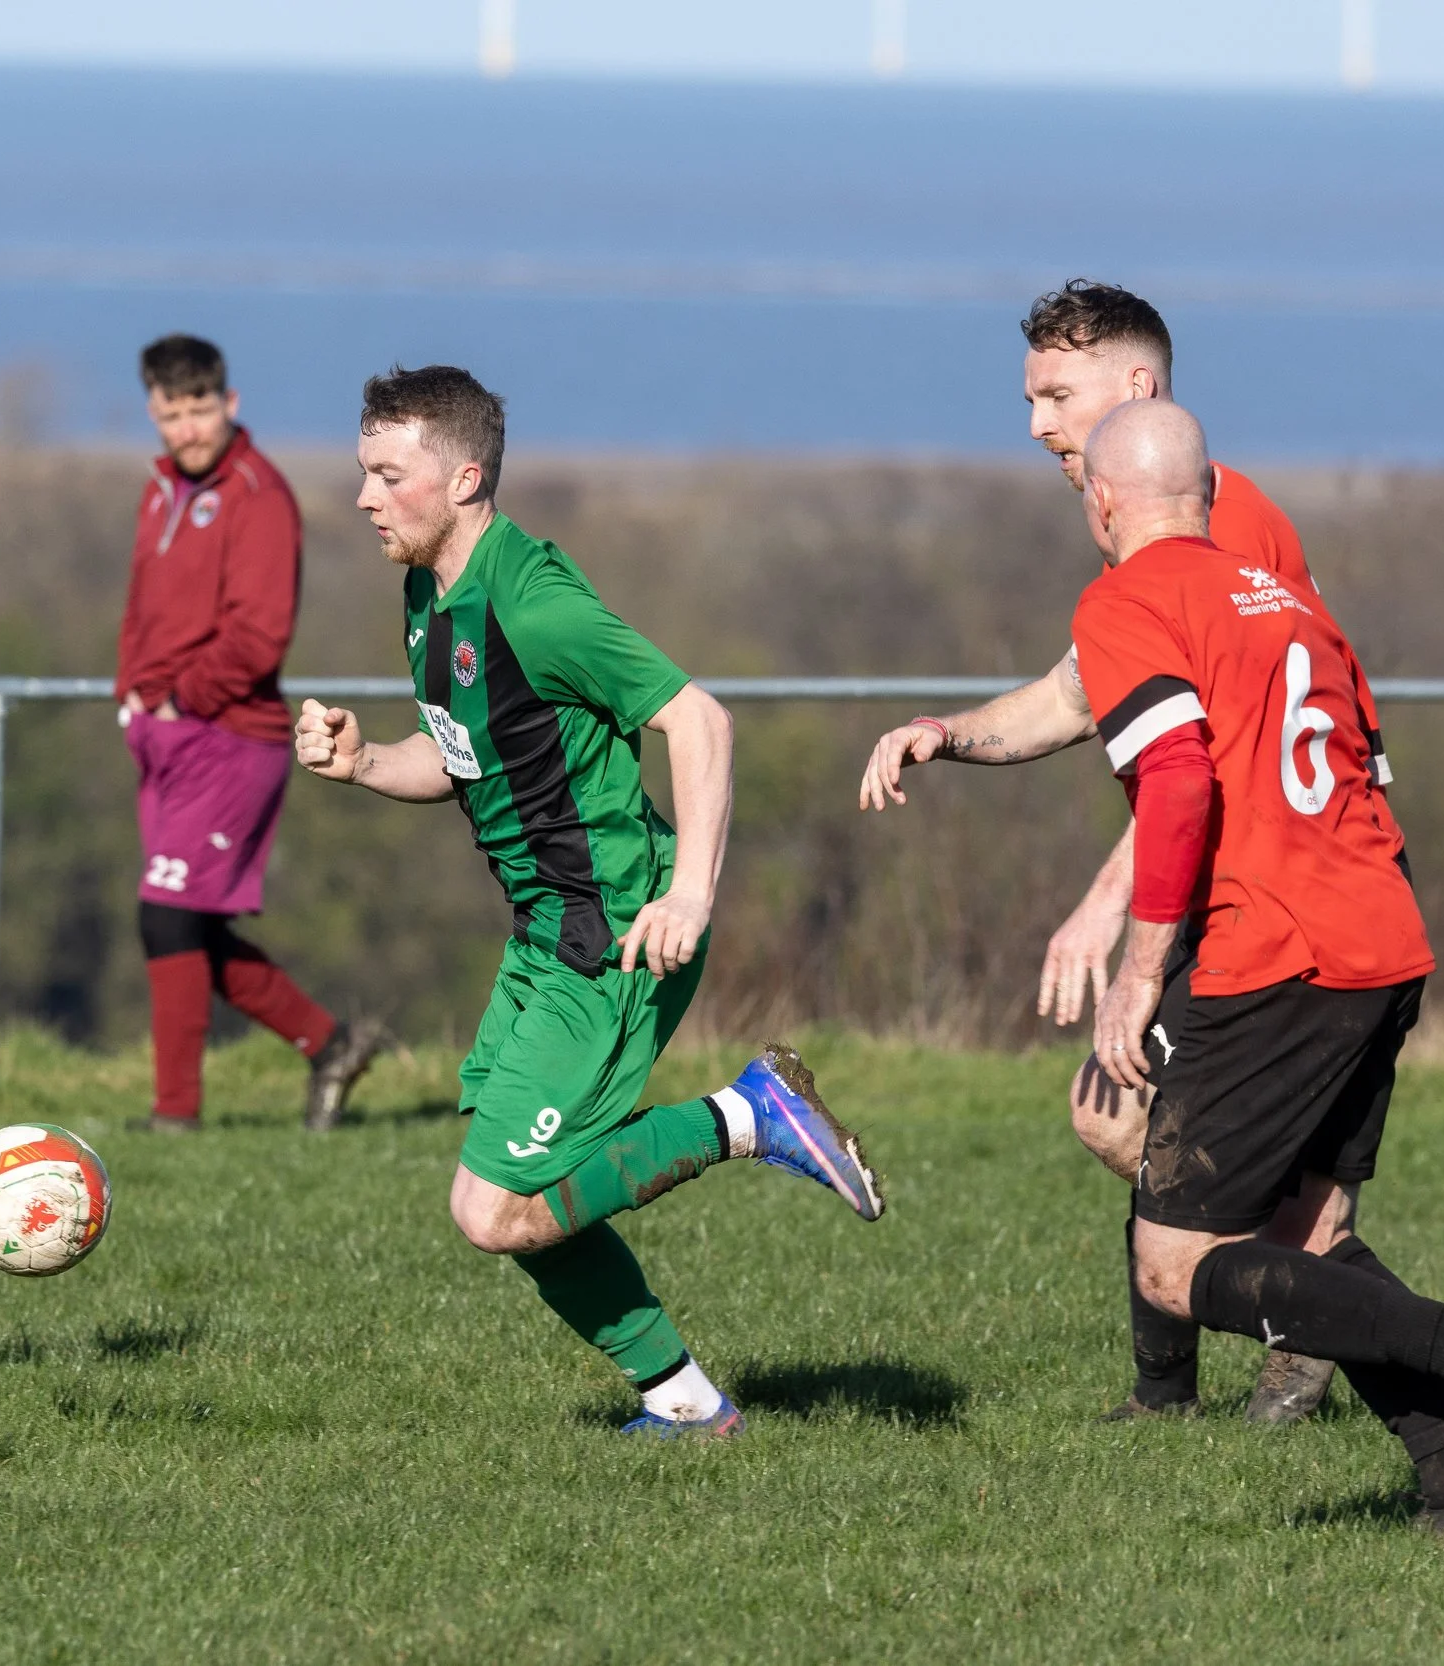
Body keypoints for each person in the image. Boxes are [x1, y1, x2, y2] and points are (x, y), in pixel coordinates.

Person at [295, 365, 883, 1438]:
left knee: (492, 1210)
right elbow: (468, 750)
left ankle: (747, 1115)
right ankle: (687, 1404)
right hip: (543, 935)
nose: (365, 497)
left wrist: (690, 895)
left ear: (465, 476)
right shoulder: (430, 593)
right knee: (526, 1198)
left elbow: (697, 719)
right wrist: (366, 762)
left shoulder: (532, 600)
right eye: (363, 473)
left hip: (612, 937)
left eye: (389, 474)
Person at [855, 281, 1349, 1425]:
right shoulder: (1152, 525)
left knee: (1162, 1126)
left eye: (1053, 393)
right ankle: (1223, 1362)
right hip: (1225, 887)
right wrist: (949, 734)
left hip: (1273, 896)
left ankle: (1314, 1334)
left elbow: (1208, 759)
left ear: (1134, 387)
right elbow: (1077, 696)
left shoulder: (1225, 525)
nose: (1034, 420)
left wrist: (1102, 909)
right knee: (1128, 1117)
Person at [1068, 398, 1444, 1546]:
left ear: (1102, 502)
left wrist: (1138, 977)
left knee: (1182, 1264)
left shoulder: (1125, 598)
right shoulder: (1294, 604)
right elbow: (1358, 775)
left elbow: (1179, 786)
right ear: (1207, 490)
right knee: (1309, 1232)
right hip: (1381, 939)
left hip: (1276, 952)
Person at [116, 334, 383, 1133]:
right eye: (172, 414)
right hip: (164, 735)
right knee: (185, 919)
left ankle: (176, 1116)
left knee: (167, 914)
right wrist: (132, 697)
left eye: (201, 410)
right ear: (154, 414)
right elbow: (145, 611)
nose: (188, 429)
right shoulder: (160, 489)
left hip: (231, 737)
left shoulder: (260, 496)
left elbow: (259, 637)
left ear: (229, 405)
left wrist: (178, 700)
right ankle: (331, 1045)